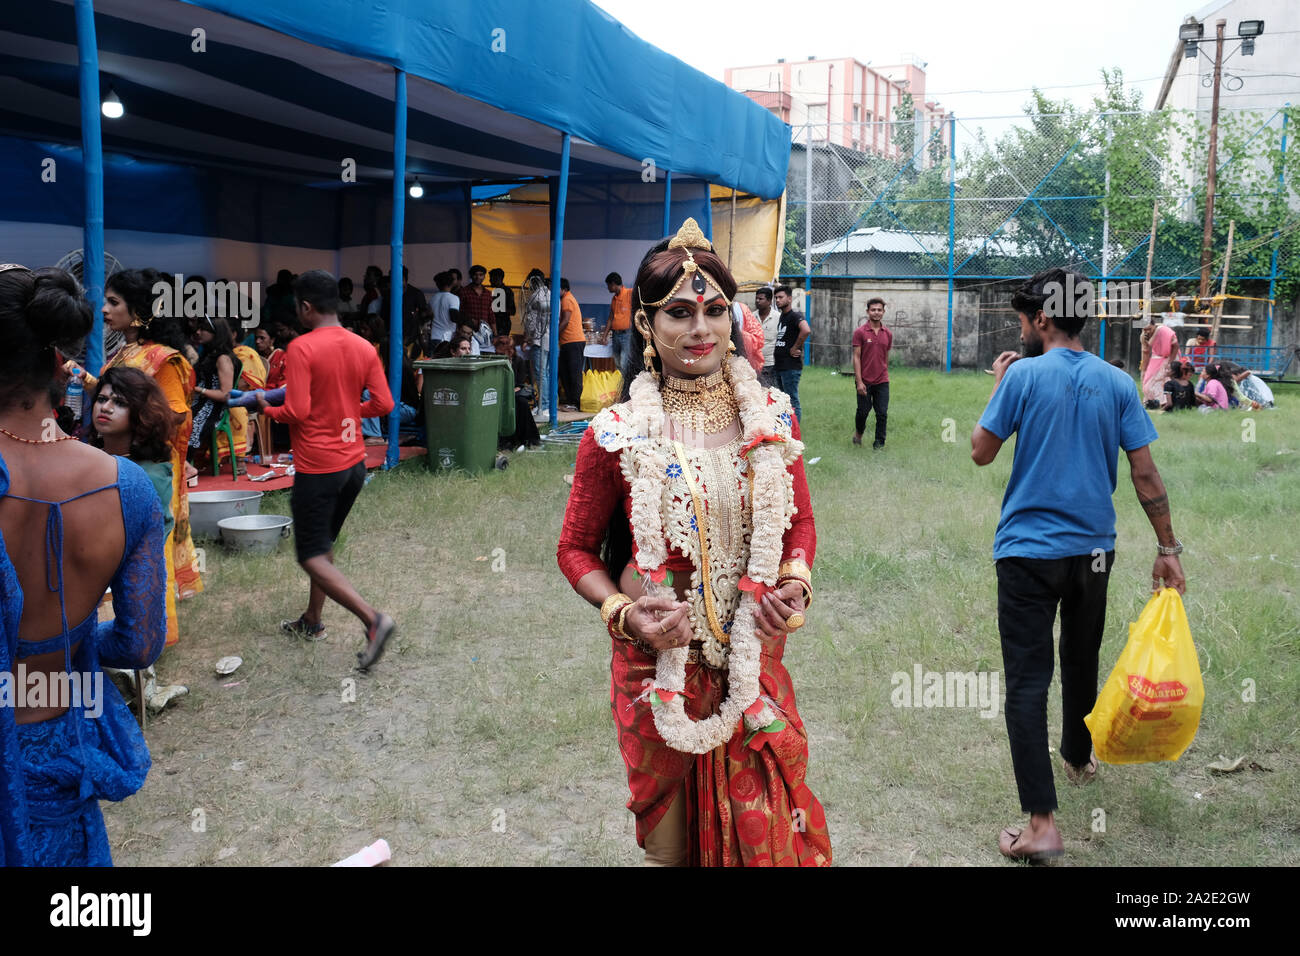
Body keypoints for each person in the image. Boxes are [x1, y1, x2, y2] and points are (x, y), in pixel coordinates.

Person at [556, 219, 832, 867]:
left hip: (752, 659)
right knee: (673, 848)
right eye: (679, 313)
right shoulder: (615, 432)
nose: (701, 329)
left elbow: (800, 527)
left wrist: (795, 580)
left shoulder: (772, 418)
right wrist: (623, 613)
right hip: (657, 668)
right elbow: (575, 550)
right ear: (647, 325)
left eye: (714, 311)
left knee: (767, 834)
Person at [971, 267, 1186, 863]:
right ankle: (1077, 755)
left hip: (1026, 554)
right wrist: (1168, 550)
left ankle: (1042, 824)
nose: (1023, 328)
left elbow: (981, 452)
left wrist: (999, 384)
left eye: (1023, 319)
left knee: (1027, 680)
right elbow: (1145, 474)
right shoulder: (1116, 382)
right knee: (1082, 655)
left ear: (1042, 319)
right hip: (1094, 552)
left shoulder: (1022, 376)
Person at [0, 263, 166, 865]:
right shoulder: (124, 489)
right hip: (56, 743)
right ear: (59, 367)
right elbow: (143, 640)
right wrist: (72, 637)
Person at [258, 270, 396, 670]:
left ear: (305, 306)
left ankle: (374, 620)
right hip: (353, 466)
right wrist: (349, 411)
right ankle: (312, 620)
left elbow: (296, 411)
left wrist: (262, 407)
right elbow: (384, 404)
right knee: (324, 546)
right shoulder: (364, 346)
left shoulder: (302, 348)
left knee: (310, 555)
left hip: (318, 468)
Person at [75, 268, 203, 601]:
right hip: (120, 458)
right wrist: (82, 378)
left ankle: (149, 620)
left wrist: (133, 420)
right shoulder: (121, 354)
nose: (104, 309)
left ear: (139, 313)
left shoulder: (163, 359)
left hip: (149, 465)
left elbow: (175, 414)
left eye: (113, 302)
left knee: (146, 542)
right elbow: (118, 400)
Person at [84, 367, 189, 710]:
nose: (106, 407)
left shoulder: (151, 472)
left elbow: (149, 538)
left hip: (124, 571)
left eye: (119, 402)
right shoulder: (82, 459)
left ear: (141, 413)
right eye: (102, 399)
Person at [187, 316, 241, 468]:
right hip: (200, 401)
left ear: (216, 333)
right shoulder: (207, 353)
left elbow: (226, 394)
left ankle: (186, 467)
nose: (198, 332)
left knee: (190, 423)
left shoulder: (223, 358)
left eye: (203, 329)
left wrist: (199, 390)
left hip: (214, 407)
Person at [852, 297, 893, 449]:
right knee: (863, 412)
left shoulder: (887, 333)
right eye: (873, 310)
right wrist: (859, 381)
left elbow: (886, 356)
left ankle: (879, 444)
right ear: (868, 312)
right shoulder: (860, 332)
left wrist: (885, 372)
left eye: (879, 310)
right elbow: (856, 357)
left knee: (882, 413)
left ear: (883, 312)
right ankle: (858, 434)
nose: (876, 312)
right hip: (864, 380)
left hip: (882, 380)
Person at [771, 285, 810, 424]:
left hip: (790, 366)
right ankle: (785, 428)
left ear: (789, 298)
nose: (777, 300)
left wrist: (795, 347)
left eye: (781, 297)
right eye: (776, 298)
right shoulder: (782, 316)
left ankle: (795, 432)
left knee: (791, 399)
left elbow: (805, 330)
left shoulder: (795, 315)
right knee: (781, 400)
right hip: (779, 365)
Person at [522, 270, 552, 421]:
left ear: (533, 281)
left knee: (541, 375)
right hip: (549, 340)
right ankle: (545, 405)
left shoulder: (535, 296)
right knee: (545, 374)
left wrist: (526, 339)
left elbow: (531, 322)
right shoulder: (551, 295)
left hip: (539, 340)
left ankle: (544, 406)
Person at [1139, 316, 1180, 407]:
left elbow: (1175, 346)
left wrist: (1170, 363)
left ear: (1154, 325)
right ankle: (1153, 402)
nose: (1148, 331)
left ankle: (1165, 402)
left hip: (1170, 357)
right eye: (1145, 329)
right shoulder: (1143, 336)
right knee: (1147, 383)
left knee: (1164, 379)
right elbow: (1145, 352)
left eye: (1149, 329)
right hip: (1156, 359)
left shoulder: (1163, 331)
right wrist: (1144, 370)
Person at [558, 278, 585, 410]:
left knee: (574, 374)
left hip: (573, 341)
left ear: (563, 289)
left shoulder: (566, 300)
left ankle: (576, 403)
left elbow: (566, 321)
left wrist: (554, 335)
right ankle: (571, 401)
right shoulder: (567, 298)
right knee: (566, 372)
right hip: (568, 341)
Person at [606, 272, 633, 367]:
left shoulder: (630, 293)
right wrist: (604, 336)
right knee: (617, 362)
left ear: (613, 284)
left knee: (624, 363)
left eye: (608, 285)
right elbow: (610, 318)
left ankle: (626, 382)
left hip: (627, 335)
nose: (608, 288)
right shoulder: (614, 299)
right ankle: (620, 381)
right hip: (615, 335)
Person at [754, 287, 778, 387]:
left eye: (761, 299)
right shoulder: (751, 317)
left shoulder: (778, 317)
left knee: (771, 393)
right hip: (754, 364)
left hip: (771, 364)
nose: (757, 301)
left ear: (769, 301)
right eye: (756, 298)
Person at [429, 271, 461, 343]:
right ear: (452, 282)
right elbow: (454, 317)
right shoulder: (453, 298)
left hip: (433, 336)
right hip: (447, 338)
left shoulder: (433, 298)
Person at [255, 325, 287, 390]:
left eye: (262, 338)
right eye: (256, 338)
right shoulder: (254, 357)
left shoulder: (283, 357)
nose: (257, 341)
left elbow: (284, 383)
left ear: (272, 340)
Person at [489, 268, 516, 337]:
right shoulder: (496, 292)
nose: (489, 280)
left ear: (497, 278)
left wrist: (498, 310)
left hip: (502, 326)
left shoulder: (506, 291)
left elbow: (512, 311)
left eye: (491, 278)